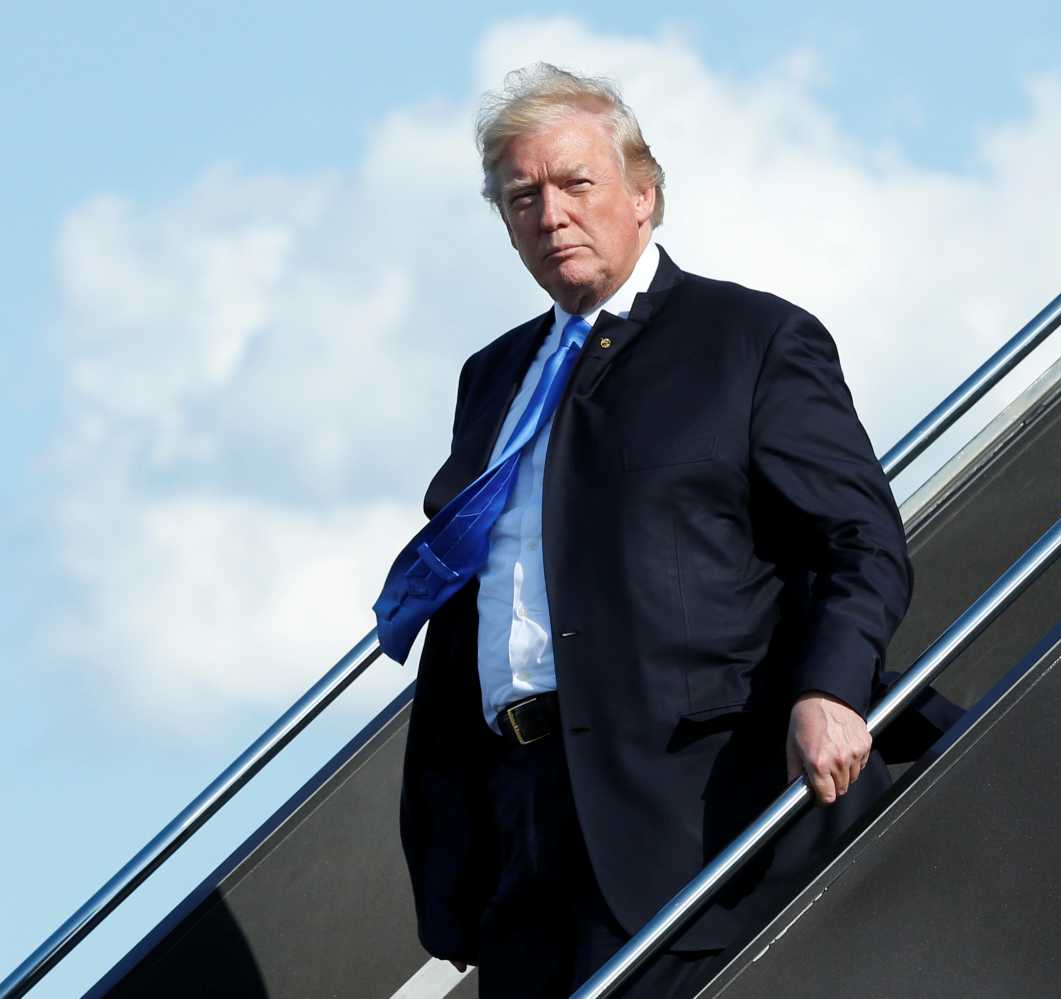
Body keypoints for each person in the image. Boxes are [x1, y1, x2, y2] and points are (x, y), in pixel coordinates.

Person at [397, 62, 947, 998]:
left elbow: (861, 538)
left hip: (690, 817)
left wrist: (831, 686)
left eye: (576, 184)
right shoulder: (492, 377)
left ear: (644, 195)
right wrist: (451, 841)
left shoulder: (750, 339)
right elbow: (468, 604)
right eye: (522, 196)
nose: (551, 214)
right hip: (525, 829)